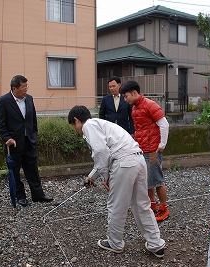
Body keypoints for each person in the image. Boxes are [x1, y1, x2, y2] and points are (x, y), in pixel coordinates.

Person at [68, 105, 165, 258]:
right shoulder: (101, 124)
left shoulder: (89, 125)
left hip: (124, 163)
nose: (76, 130)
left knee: (117, 205)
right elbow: (103, 156)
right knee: (142, 204)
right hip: (138, 159)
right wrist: (92, 177)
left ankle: (114, 243)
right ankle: (156, 244)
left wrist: (106, 177)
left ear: (76, 120)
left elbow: (101, 152)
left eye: (74, 126)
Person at [0, 75, 53, 207]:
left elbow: (33, 120)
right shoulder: (3, 101)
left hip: (29, 141)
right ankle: (20, 196)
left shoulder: (29, 99)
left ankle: (38, 195)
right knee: (15, 171)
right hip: (14, 143)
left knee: (32, 169)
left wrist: (34, 135)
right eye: (23, 87)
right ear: (14, 88)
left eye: (27, 86)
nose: (26, 89)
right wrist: (7, 138)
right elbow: (0, 124)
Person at [120, 80, 170, 222]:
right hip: (144, 148)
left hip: (153, 150)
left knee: (157, 179)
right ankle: (152, 205)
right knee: (147, 179)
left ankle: (164, 208)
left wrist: (162, 144)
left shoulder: (149, 105)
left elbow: (164, 124)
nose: (125, 99)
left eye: (126, 96)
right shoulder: (136, 107)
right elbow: (142, 129)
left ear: (134, 93)